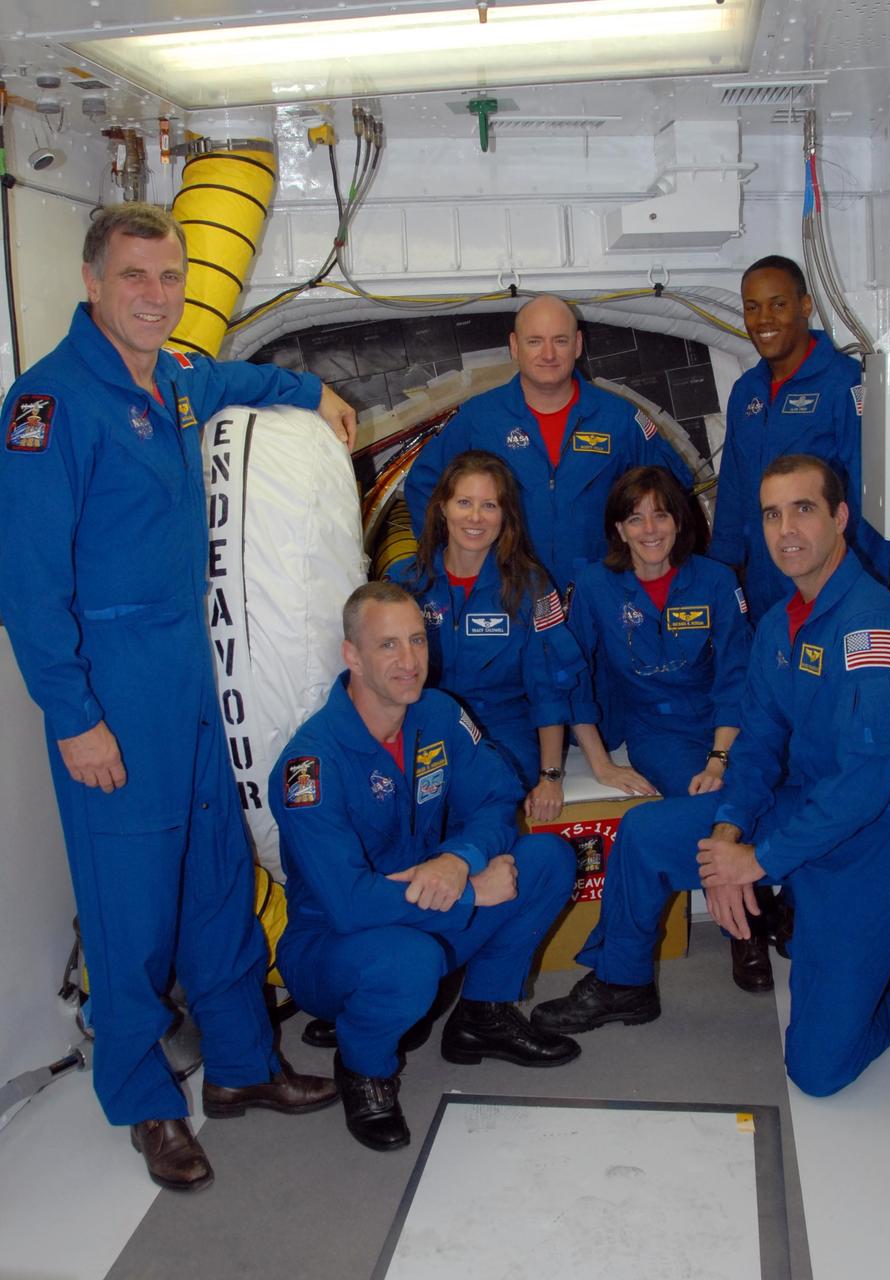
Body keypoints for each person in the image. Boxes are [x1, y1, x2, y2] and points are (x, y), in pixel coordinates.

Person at [0, 203, 357, 1191]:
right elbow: (27, 586)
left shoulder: (176, 381)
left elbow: (238, 377)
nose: (158, 297)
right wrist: (74, 716)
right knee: (130, 910)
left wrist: (309, 385)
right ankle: (145, 1101)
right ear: (92, 283)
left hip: (194, 668)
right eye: (135, 279)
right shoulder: (50, 405)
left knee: (216, 873)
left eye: (172, 278)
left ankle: (243, 1066)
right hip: (114, 681)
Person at [532, 456, 890, 1097]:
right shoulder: (783, 623)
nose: (786, 529)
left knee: (817, 1071)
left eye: (804, 509)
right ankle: (623, 981)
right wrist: (729, 833)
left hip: (864, 844)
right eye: (771, 513)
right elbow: (757, 745)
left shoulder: (867, 625)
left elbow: (865, 788)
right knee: (648, 835)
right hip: (792, 810)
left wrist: (757, 860)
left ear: (841, 518)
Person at [269, 582, 581, 1152]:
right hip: (336, 944)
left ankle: (483, 1013)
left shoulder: (438, 714)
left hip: (424, 903)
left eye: (417, 640)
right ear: (352, 656)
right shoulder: (309, 766)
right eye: (387, 645)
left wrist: (458, 862)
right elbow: (349, 902)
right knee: (408, 962)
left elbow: (497, 798)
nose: (409, 661)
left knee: (546, 860)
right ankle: (364, 1068)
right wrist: (468, 894)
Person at [566, 466, 764, 991]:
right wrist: (601, 761)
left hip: (726, 725)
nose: (650, 528)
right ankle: (748, 928)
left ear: (680, 521)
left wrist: (721, 755)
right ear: (618, 529)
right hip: (658, 729)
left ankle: (753, 904)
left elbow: (736, 676)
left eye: (661, 514)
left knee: (745, 786)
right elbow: (569, 676)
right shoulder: (593, 587)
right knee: (707, 800)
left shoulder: (716, 579)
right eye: (635, 518)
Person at [404, 294, 693, 592]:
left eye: (560, 340)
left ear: (578, 345)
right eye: (534, 341)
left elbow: (674, 494)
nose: (548, 354)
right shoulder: (479, 418)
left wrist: (652, 573)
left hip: (602, 595)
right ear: (514, 346)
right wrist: (453, 564)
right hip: (508, 595)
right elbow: (423, 485)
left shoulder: (619, 420)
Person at [389, 449, 596, 822]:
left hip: (502, 733)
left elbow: (548, 687)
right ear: (441, 508)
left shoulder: (530, 587)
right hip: (424, 727)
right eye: (464, 502)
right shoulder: (405, 583)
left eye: (489, 505)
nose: (475, 517)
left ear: (505, 516)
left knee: (476, 799)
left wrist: (550, 776)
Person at [708, 254, 890, 622]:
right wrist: (720, 575)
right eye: (753, 308)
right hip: (763, 586)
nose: (764, 320)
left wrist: (862, 584)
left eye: (778, 304)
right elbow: (732, 491)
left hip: (826, 583)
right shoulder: (747, 392)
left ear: (804, 306)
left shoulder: (844, 382)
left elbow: (866, 495)